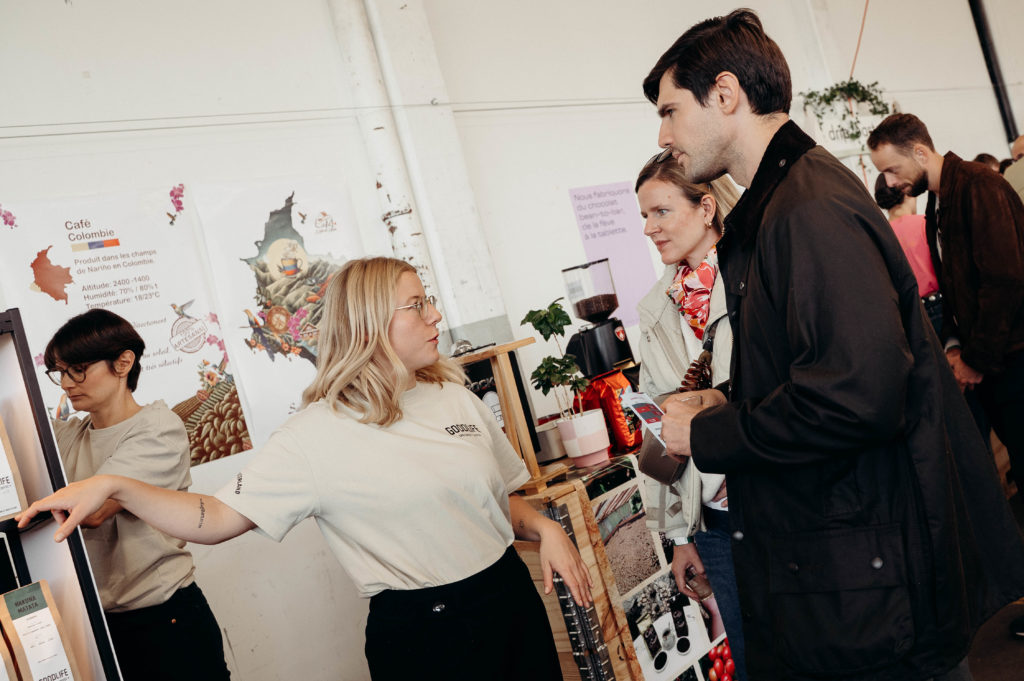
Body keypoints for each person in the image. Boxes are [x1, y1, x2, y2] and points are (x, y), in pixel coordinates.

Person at [644, 9, 1024, 681]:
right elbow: (819, 365)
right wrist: (725, 397)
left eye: (671, 111)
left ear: (726, 94)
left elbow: (857, 397)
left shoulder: (808, 208)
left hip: (873, 585)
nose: (664, 135)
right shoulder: (780, 206)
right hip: (851, 569)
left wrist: (708, 433)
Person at [22, 257, 591, 681]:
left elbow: (494, 501)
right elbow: (215, 517)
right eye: (417, 304)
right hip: (428, 631)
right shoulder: (314, 435)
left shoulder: (454, 396)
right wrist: (116, 485)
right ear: (369, 323)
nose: (435, 315)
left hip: (510, 598)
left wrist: (544, 528)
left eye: (429, 301)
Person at [868, 113, 1024, 641]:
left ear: (918, 151)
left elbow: (1005, 279)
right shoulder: (940, 201)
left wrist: (974, 357)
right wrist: (957, 347)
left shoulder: (979, 186)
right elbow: (956, 286)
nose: (889, 183)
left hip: (1014, 359)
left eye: (891, 170)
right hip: (995, 362)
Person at [43, 308, 230, 681]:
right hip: (101, 624)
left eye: (77, 369)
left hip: (165, 621)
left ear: (123, 362)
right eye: (60, 372)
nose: (66, 383)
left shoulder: (158, 429)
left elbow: (92, 511)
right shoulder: (70, 435)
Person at [634, 152, 747, 681]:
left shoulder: (755, 279)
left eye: (661, 212)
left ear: (706, 209)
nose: (649, 228)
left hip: (778, 502)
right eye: (644, 216)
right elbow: (656, 433)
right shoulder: (656, 311)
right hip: (716, 525)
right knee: (752, 660)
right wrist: (680, 537)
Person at [872, 174, 943, 334]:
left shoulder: (879, 238)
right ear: (907, 192)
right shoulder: (925, 223)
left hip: (908, 318)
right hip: (939, 306)